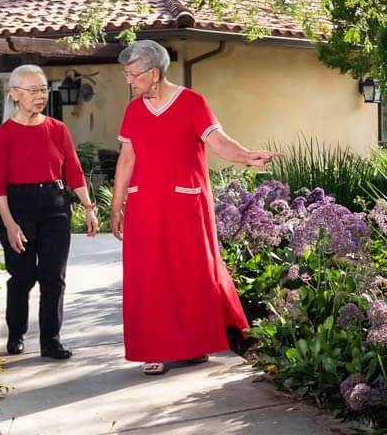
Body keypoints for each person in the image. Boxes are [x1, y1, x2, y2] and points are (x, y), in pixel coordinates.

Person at [110, 40, 272, 375]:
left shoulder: (192, 102)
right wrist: (116, 204)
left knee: (191, 273)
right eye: (126, 74)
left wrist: (246, 156)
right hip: (145, 205)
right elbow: (127, 159)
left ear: (154, 73)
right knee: (148, 275)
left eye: (133, 74)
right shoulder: (133, 110)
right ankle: (151, 350)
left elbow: (218, 141)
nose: (129, 81)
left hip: (186, 203)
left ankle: (194, 345)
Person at [0, 64, 99, 359]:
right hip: (18, 209)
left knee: (53, 276)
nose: (41, 96)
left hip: (55, 205)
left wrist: (88, 207)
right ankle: (16, 334)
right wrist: (10, 225)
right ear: (14, 94)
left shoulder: (57, 129)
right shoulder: (3, 135)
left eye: (43, 90)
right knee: (23, 277)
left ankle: (51, 340)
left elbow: (74, 172)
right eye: (33, 90)